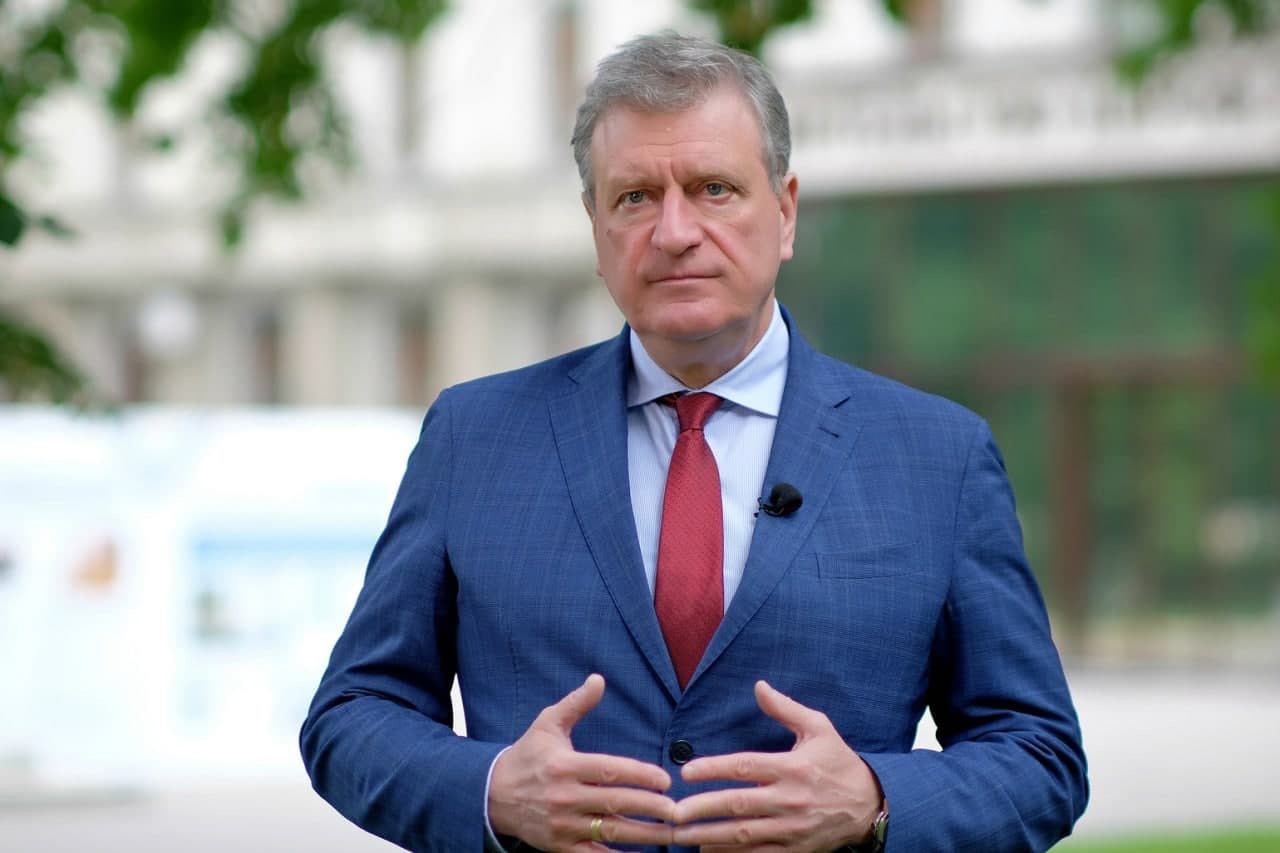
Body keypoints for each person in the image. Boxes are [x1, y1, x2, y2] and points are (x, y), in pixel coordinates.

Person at [300, 31, 1087, 852]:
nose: (674, 231)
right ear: (596, 227)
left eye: (714, 189)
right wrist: (493, 789)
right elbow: (351, 716)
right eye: (636, 197)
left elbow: (1040, 756)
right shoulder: (474, 438)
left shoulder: (937, 458)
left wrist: (875, 800)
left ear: (785, 211)